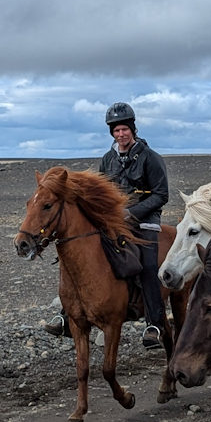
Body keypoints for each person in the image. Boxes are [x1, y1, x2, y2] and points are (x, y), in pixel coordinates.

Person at [43, 102, 172, 349]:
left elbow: (161, 195)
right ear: (111, 133)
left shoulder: (151, 158)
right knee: (85, 257)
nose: (120, 134)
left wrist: (130, 213)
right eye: (116, 131)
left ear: (132, 129)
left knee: (147, 265)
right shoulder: (108, 159)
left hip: (145, 222)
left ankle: (154, 323)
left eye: (124, 129)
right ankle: (66, 313)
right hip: (113, 221)